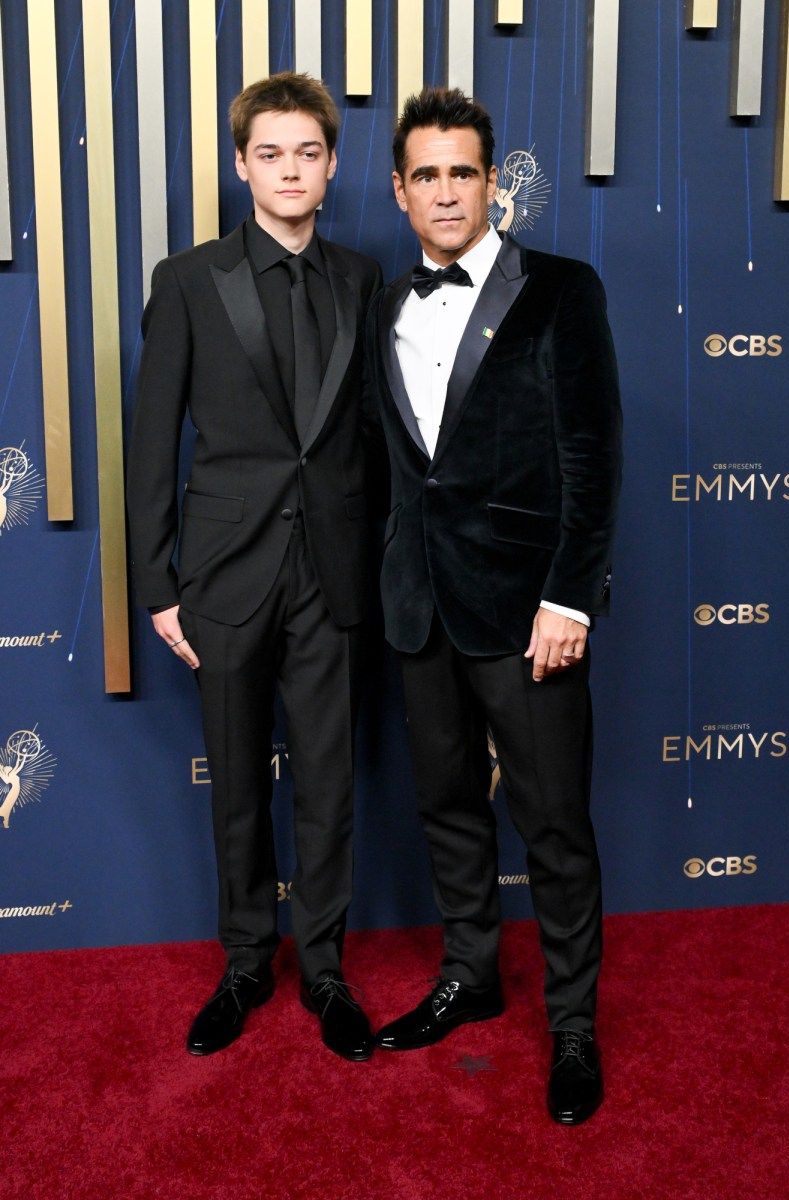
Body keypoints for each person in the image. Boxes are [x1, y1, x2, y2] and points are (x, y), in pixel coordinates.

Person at [364, 87, 622, 1124]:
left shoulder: (560, 290)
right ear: (399, 190)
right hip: (419, 605)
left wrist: (571, 596)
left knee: (552, 823)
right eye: (425, 174)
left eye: (462, 172)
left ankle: (573, 1025)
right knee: (447, 807)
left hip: (527, 611)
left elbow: (592, 456)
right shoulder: (384, 304)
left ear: (491, 183)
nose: (444, 192)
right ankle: (470, 975)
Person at [126, 72, 381, 1062]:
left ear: (331, 164)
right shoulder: (188, 279)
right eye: (269, 153)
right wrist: (157, 585)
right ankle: (243, 964)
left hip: (333, 572)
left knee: (328, 782)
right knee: (236, 783)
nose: (289, 170)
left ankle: (324, 968)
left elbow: (371, 438)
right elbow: (153, 444)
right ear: (241, 165)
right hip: (225, 573)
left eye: (307, 152)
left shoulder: (361, 278)